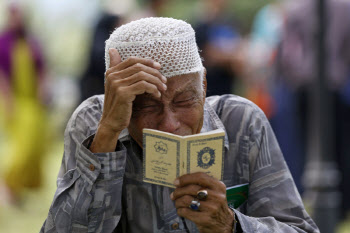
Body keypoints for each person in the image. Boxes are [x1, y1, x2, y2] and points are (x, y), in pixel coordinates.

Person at [41, 17, 319, 233]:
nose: (169, 124)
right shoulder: (94, 122)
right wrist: (106, 137)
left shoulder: (241, 122)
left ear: (204, 86)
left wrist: (230, 225)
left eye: (185, 102)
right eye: (147, 107)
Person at [0, 3, 48, 204]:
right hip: (12, 101)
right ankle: (8, 187)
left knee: (34, 146)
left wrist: (44, 90)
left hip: (32, 102)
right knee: (18, 149)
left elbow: (42, 68)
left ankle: (17, 190)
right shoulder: (3, 41)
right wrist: (8, 99)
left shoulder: (32, 40)